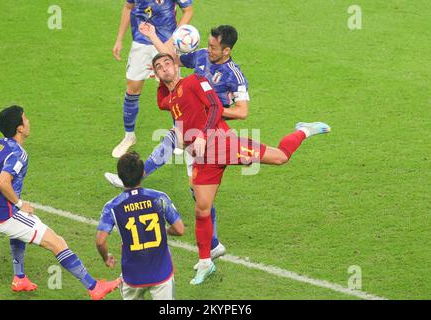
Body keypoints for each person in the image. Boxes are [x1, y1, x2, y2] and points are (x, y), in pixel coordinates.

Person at [151, 53, 331, 285]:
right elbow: (160, 102)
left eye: (168, 63)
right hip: (204, 159)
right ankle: (206, 262)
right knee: (201, 210)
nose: (165, 68)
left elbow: (215, 105)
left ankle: (305, 130)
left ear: (176, 66)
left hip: (222, 143)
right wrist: (158, 83)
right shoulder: (171, 99)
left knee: (280, 158)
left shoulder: (194, 80)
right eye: (159, 67)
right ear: (156, 73)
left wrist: (204, 136)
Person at [105, 25, 248, 263]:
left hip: (209, 133)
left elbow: (242, 112)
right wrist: (152, 37)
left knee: (197, 188)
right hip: (190, 127)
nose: (208, 49)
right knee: (194, 186)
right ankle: (213, 245)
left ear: (226, 50)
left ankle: (130, 179)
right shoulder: (202, 55)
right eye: (208, 44)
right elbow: (172, 61)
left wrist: (208, 107)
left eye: (213, 46)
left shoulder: (234, 74)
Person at [0, 105, 121, 300]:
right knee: (57, 242)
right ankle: (94, 287)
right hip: (3, 214)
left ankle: (19, 278)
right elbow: (2, 182)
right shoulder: (19, 153)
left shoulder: (0, 144)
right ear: (19, 128)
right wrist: (20, 203)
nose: (28, 121)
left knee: (23, 226)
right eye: (25, 118)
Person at [96, 151, 185, 300]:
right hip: (161, 273)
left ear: (120, 177)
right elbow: (180, 229)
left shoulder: (112, 206)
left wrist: (106, 257)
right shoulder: (159, 198)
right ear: (143, 173)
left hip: (133, 277)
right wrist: (165, 230)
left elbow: (100, 241)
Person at [111, 0, 194, 158]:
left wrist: (173, 38)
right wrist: (119, 39)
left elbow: (188, 11)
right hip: (141, 43)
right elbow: (128, 7)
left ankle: (179, 135)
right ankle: (129, 137)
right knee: (132, 89)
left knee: (175, 89)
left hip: (166, 44)